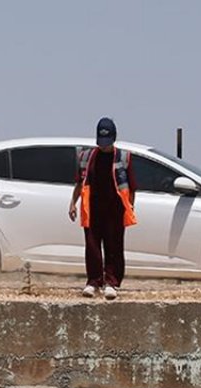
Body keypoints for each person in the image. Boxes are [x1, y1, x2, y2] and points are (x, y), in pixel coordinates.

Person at [68, 117, 137, 300]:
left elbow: (131, 186)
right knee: (92, 246)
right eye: (101, 141)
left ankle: (111, 283)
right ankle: (93, 282)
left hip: (115, 209)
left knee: (114, 246)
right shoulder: (86, 157)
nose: (104, 145)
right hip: (92, 207)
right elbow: (79, 182)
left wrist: (130, 207)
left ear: (114, 138)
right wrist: (72, 203)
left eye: (107, 142)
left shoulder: (124, 157)